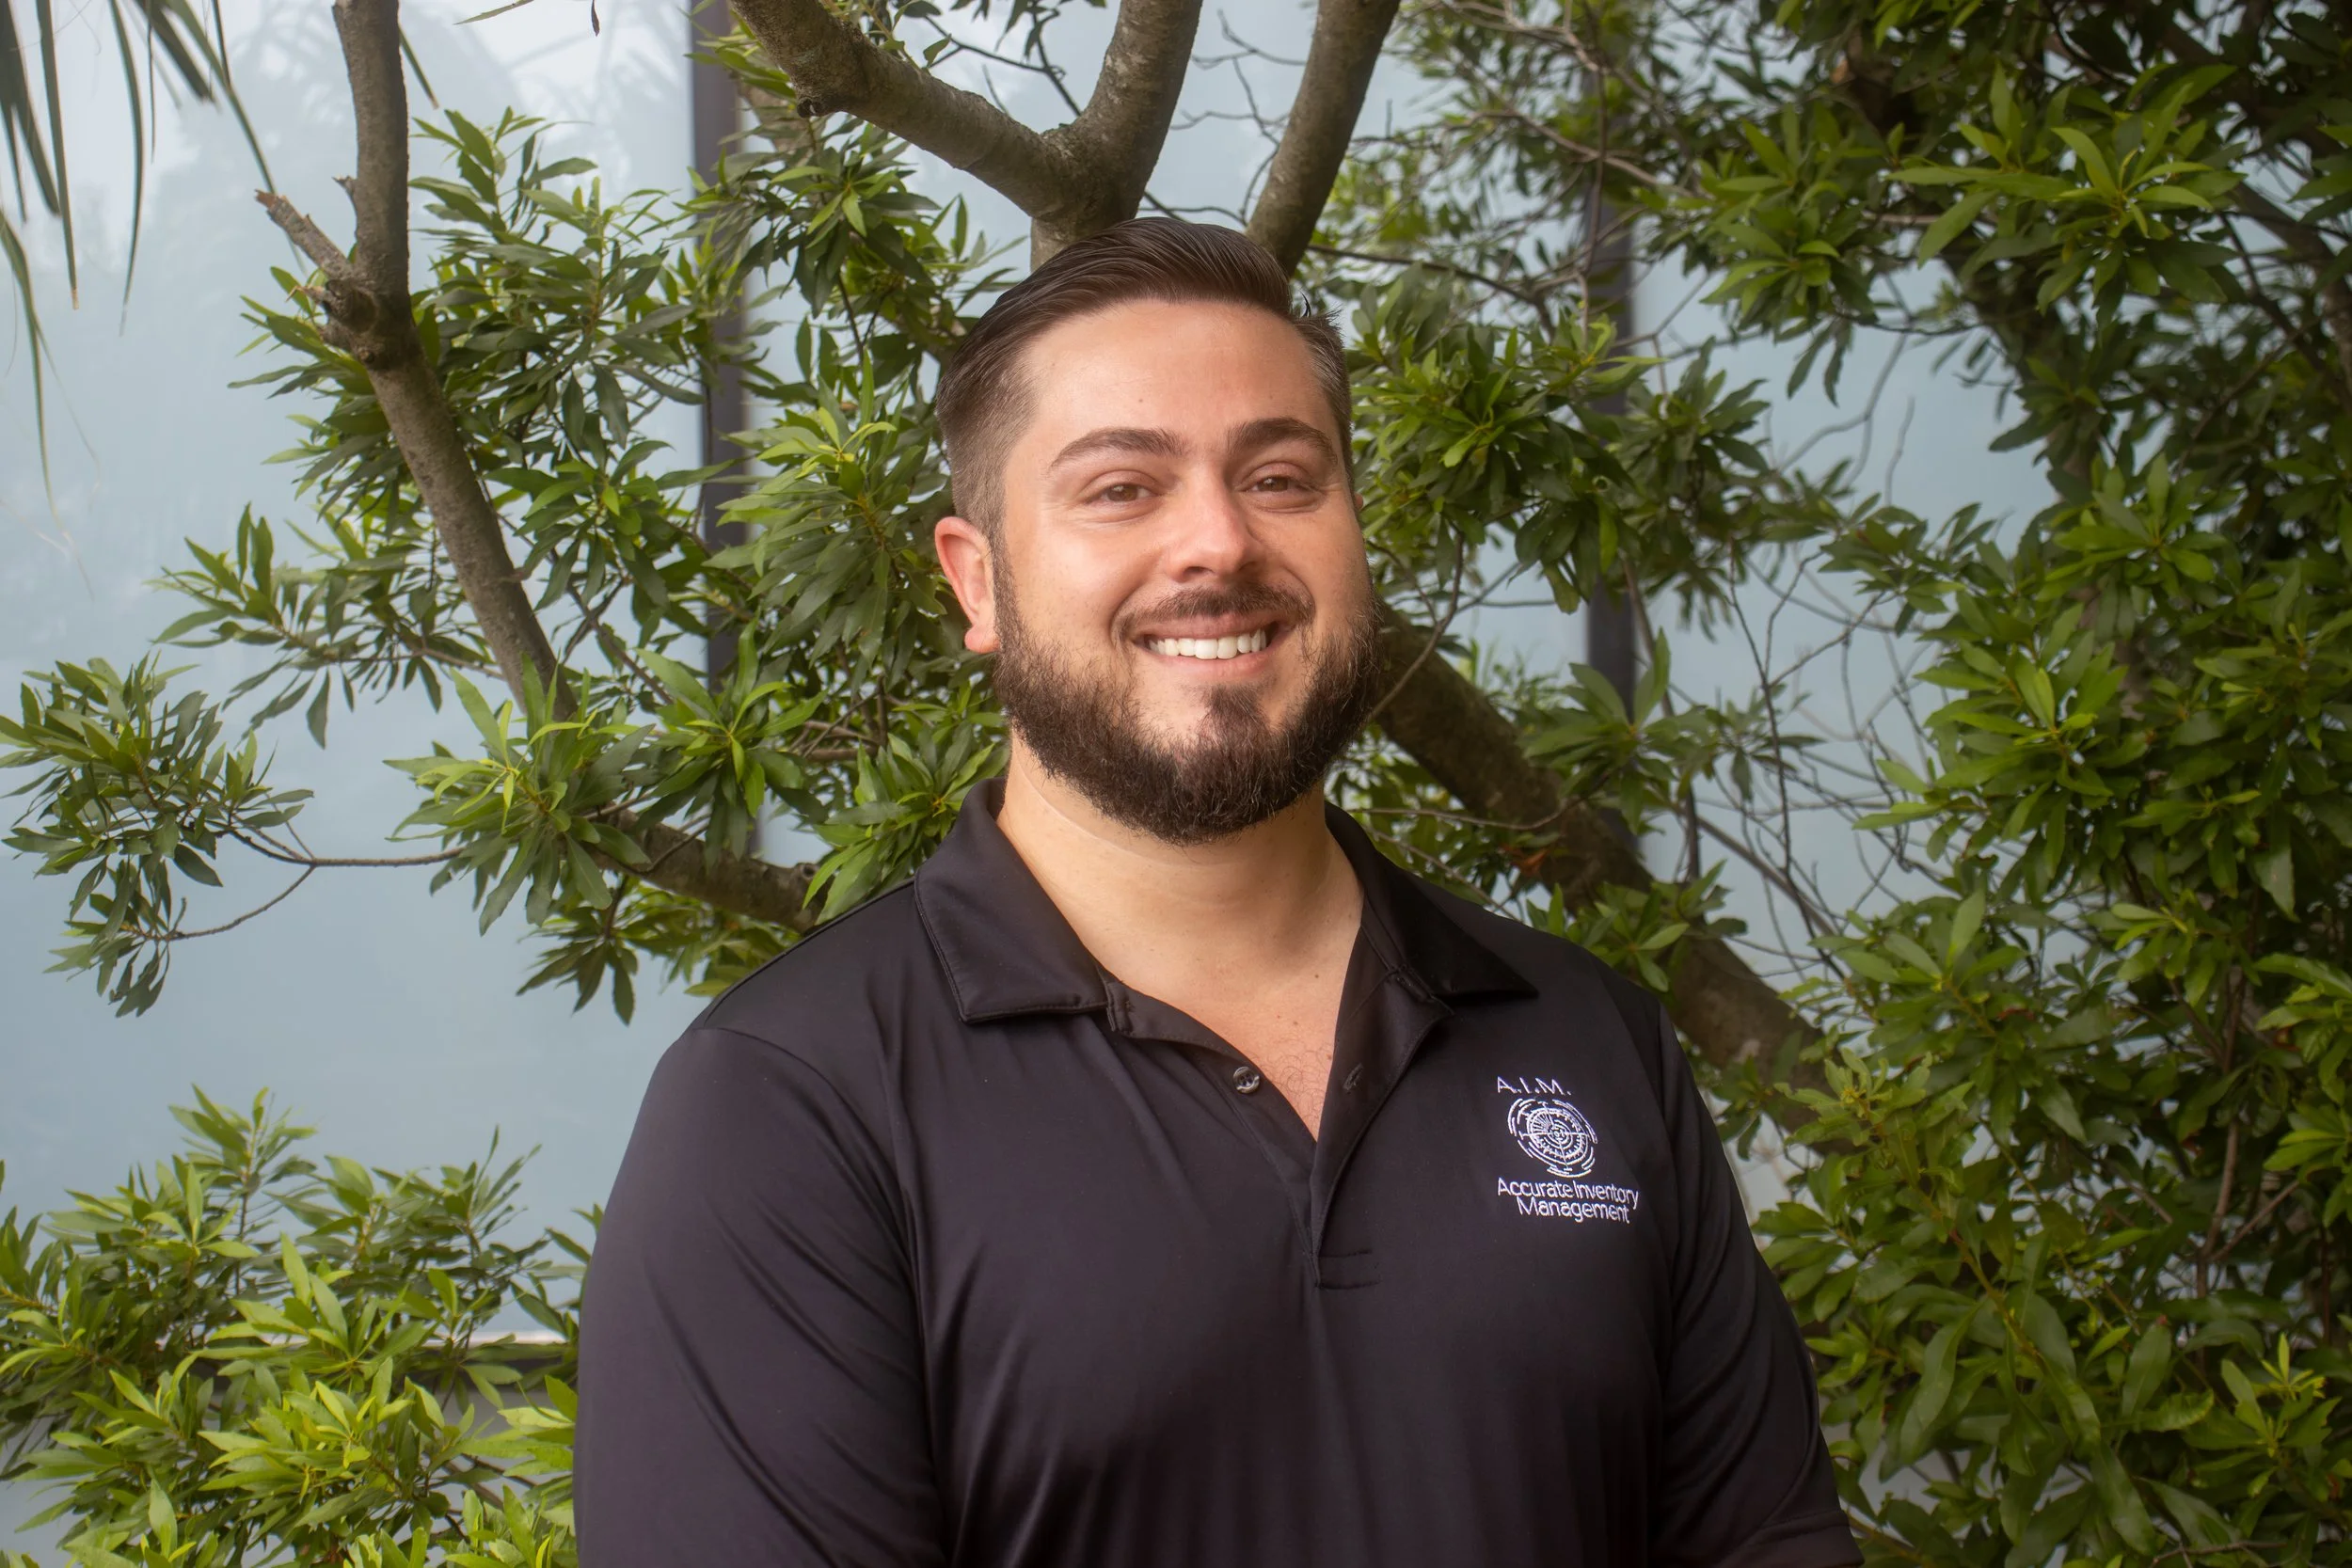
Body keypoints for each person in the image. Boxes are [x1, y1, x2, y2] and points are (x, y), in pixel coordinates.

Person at [574, 217, 1858, 1568]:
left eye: (1281, 476)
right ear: (978, 579)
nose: (1219, 542)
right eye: (1122, 487)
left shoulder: (1588, 1038)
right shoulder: (791, 1105)